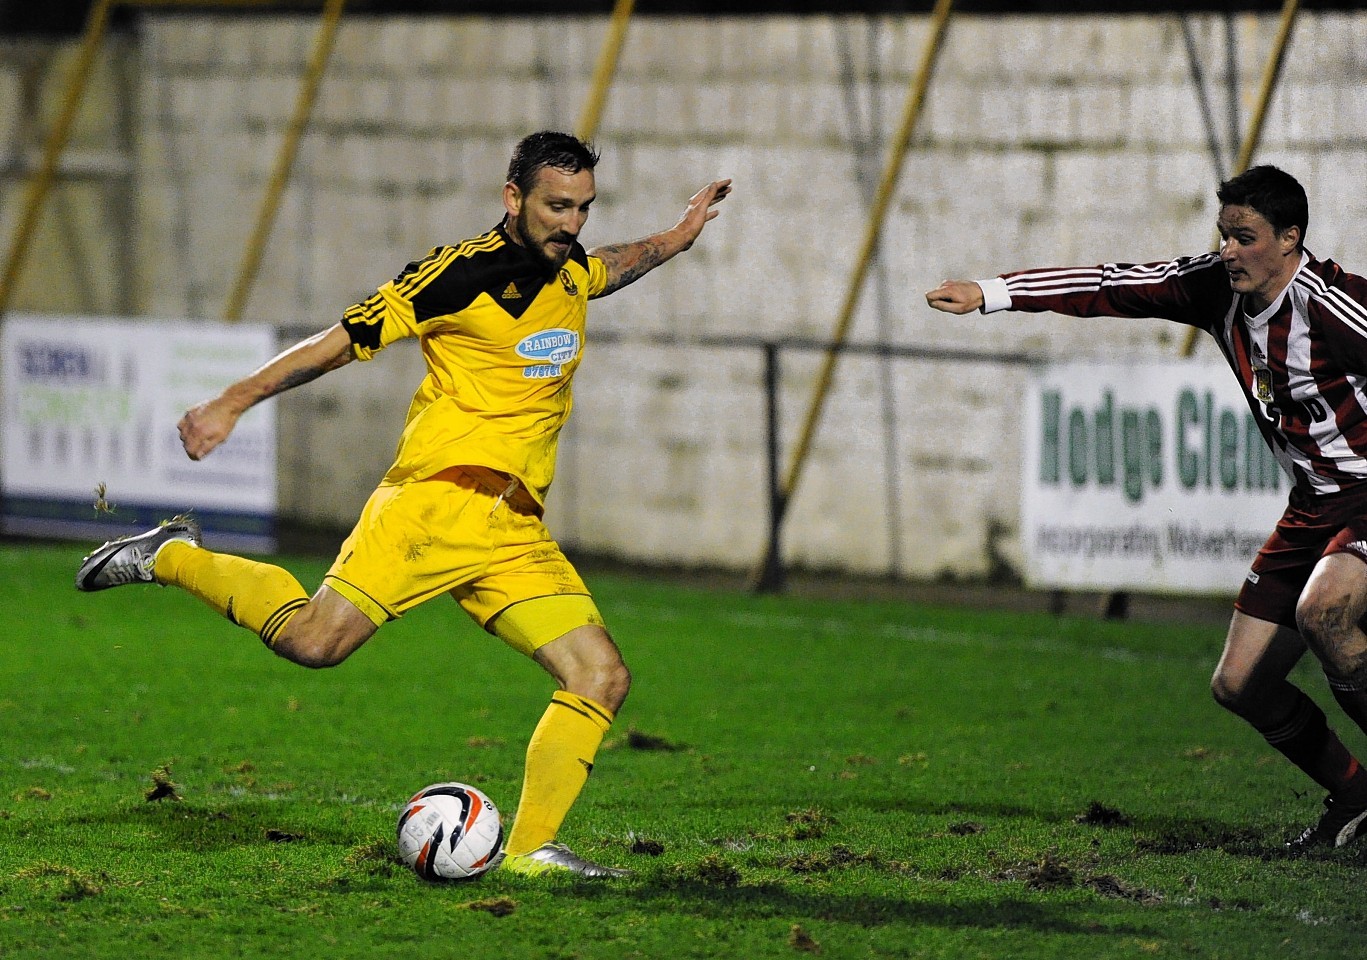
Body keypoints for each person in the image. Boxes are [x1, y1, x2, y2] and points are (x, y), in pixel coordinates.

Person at [76, 130, 731, 877]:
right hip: (431, 505)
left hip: (512, 528)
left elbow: (615, 265)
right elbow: (338, 339)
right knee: (313, 644)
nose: (571, 224)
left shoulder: (571, 270)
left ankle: (527, 854)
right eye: (556, 206)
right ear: (512, 197)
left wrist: (679, 235)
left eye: (582, 208)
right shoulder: (458, 276)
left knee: (600, 676)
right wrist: (232, 401)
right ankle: (173, 556)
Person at [926, 164, 1367, 851]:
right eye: (1221, 234)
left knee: (1323, 613)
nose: (1226, 251)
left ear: (1289, 239)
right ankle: (1352, 795)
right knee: (1238, 684)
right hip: (1311, 506)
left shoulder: (1333, 307)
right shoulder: (1212, 289)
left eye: (1243, 237)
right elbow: (1108, 286)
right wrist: (992, 292)